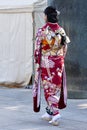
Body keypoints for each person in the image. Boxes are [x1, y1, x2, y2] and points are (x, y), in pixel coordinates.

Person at [34, 6, 70, 126]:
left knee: (49, 88)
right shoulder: (61, 30)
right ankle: (49, 112)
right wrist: (60, 59)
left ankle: (55, 113)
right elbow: (65, 47)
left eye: (44, 15)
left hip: (46, 62)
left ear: (46, 16)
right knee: (56, 87)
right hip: (59, 62)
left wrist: (37, 61)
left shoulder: (42, 30)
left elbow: (37, 50)